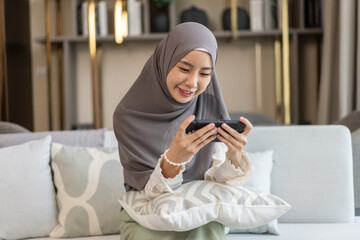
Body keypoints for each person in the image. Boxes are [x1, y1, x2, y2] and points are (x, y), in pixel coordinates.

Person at [113, 22, 253, 240]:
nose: (192, 83)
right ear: (165, 61)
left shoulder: (210, 107)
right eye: (184, 69)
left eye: (205, 73)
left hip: (198, 212)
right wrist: (173, 161)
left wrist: (234, 156)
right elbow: (147, 192)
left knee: (206, 229)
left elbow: (214, 184)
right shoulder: (128, 116)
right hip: (144, 214)